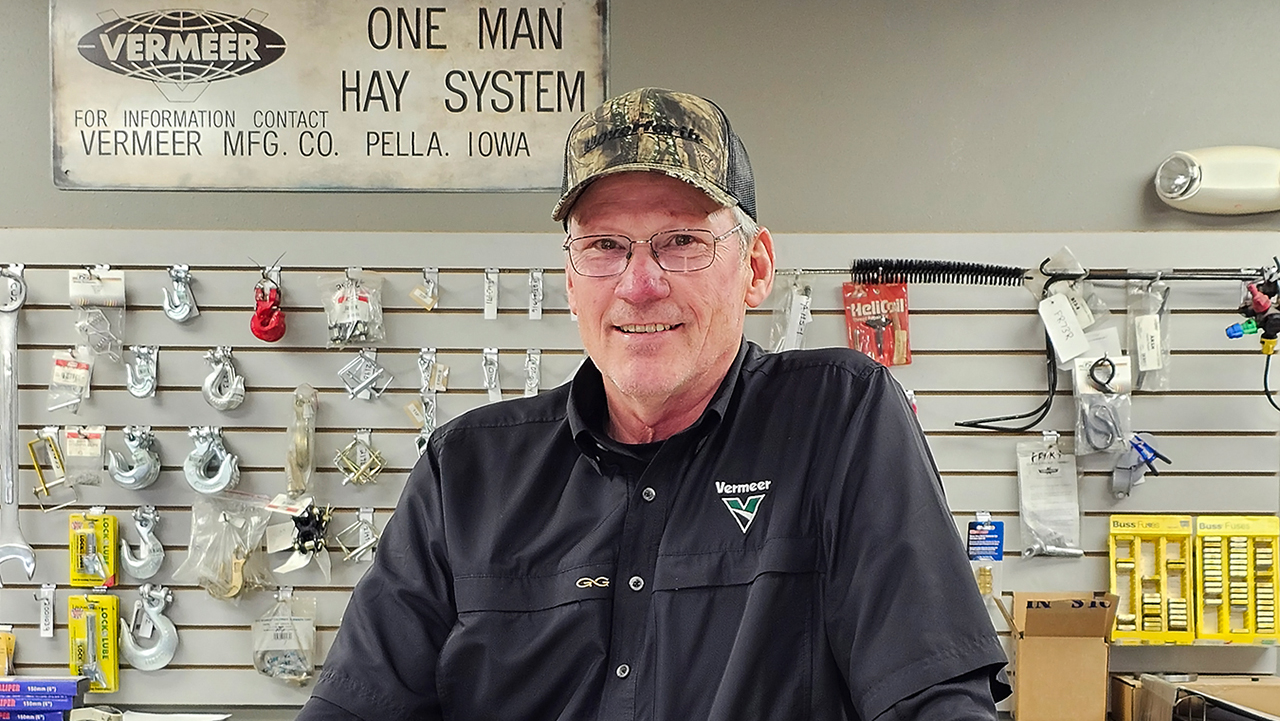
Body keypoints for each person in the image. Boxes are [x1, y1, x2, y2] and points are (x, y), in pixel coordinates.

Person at [297, 87, 1010, 720]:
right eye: (605, 245)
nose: (640, 283)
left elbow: (936, 699)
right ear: (571, 280)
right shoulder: (466, 470)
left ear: (755, 268)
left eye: (681, 241)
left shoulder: (840, 420)